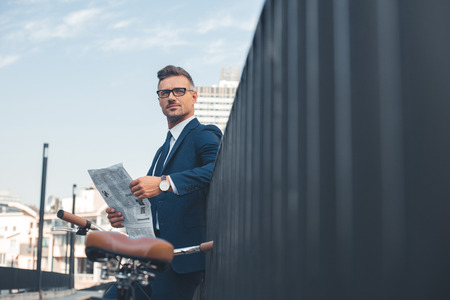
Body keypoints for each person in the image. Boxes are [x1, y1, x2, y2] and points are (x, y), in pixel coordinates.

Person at [105, 65, 222, 299]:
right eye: (164, 93)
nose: (171, 97)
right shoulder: (161, 151)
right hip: (150, 257)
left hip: (181, 260)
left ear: (194, 96)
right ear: (159, 100)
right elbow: (152, 203)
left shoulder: (204, 133)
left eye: (179, 91)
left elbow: (216, 170)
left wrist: (163, 183)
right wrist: (123, 216)